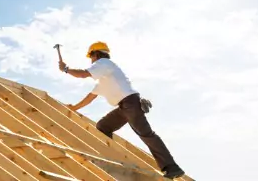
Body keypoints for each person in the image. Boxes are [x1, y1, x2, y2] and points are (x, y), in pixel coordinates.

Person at [58, 41, 185, 179]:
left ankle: (172, 168)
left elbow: (83, 74)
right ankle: (111, 156)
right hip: (124, 107)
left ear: (96, 54)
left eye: (91, 56)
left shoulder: (104, 63)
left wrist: (66, 69)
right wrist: (73, 108)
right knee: (103, 126)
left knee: (146, 134)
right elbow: (90, 98)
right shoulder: (104, 78)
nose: (91, 60)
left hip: (130, 104)